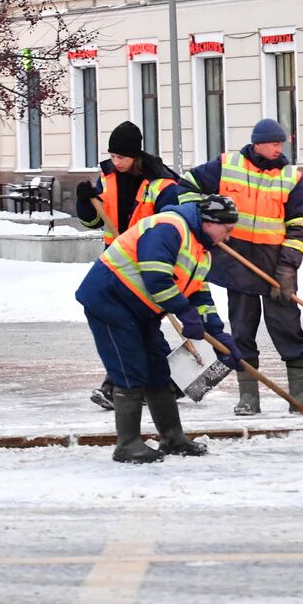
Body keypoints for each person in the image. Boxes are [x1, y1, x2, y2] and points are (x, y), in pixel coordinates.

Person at [75, 195, 243, 463]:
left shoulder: (202, 249)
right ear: (210, 222)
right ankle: (127, 444)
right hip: (110, 300)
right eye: (228, 229)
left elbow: (199, 293)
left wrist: (218, 334)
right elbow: (156, 276)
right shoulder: (169, 227)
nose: (229, 237)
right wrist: (185, 312)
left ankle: (172, 438)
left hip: (141, 310)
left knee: (158, 370)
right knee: (130, 368)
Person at [185, 119, 303, 416]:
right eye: (273, 144)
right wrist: (205, 221)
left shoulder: (290, 177)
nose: (278, 149)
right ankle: (248, 397)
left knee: (288, 329)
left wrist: (287, 269)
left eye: (281, 144)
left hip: (274, 269)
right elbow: (188, 186)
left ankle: (301, 395)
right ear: (256, 143)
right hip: (237, 266)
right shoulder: (227, 165)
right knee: (242, 332)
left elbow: (299, 226)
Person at [75, 121, 190, 411]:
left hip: (148, 263)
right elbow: (93, 221)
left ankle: (119, 386)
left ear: (135, 155)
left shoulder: (162, 185)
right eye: (112, 157)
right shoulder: (107, 177)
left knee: (135, 324)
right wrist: (84, 203)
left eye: (121, 158)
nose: (115, 163)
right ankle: (167, 381)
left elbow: (173, 227)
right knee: (136, 325)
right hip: (115, 262)